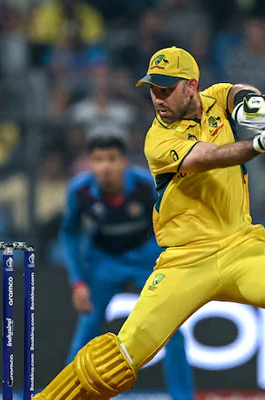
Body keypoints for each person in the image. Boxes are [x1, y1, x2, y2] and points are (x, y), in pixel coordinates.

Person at [34, 46, 265, 400]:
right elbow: (207, 157)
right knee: (112, 364)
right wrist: (260, 142)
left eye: (166, 89)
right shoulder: (158, 139)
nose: (158, 99)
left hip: (243, 248)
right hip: (184, 261)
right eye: (153, 89)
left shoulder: (214, 98)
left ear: (191, 86)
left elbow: (236, 94)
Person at [61, 128, 193, 400]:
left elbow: (174, 224)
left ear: (123, 162)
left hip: (146, 260)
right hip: (103, 262)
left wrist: (174, 267)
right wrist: (78, 282)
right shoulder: (80, 190)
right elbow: (70, 235)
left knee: (172, 331)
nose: (105, 166)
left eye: (111, 159)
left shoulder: (147, 186)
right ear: (90, 164)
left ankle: (183, 398)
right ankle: (66, 396)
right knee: (87, 327)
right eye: (98, 160)